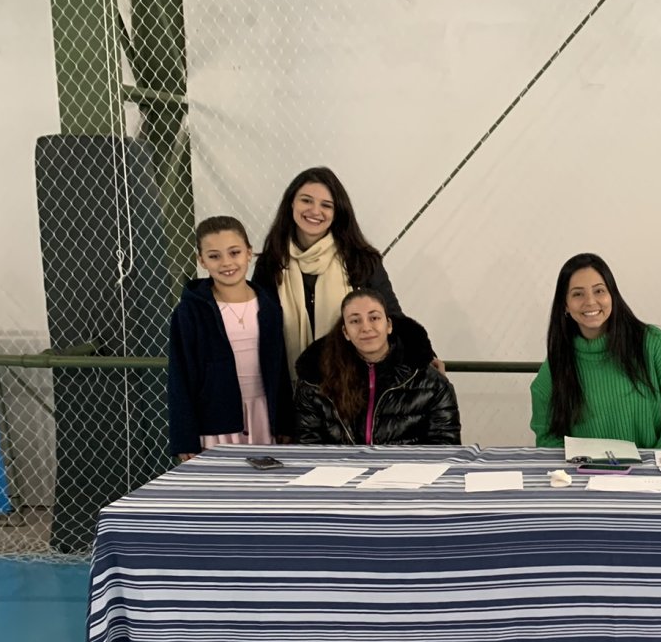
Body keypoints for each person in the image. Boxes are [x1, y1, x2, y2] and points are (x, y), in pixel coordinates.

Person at [254, 167, 429, 373]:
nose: (315, 211)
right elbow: (259, 328)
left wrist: (427, 357)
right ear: (291, 203)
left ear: (337, 212)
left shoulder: (361, 260)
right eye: (306, 200)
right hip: (288, 382)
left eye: (326, 205)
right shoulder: (270, 263)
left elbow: (392, 316)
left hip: (353, 381)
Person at [529, 253, 661, 448]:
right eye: (578, 294)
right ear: (565, 305)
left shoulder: (653, 344)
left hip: (652, 466)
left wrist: (655, 462)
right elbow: (548, 436)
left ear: (612, 296)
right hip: (584, 468)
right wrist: (577, 466)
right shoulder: (557, 364)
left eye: (599, 291)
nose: (590, 302)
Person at [168, 216, 293, 461]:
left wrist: (285, 423)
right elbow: (180, 378)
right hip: (216, 422)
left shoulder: (269, 305)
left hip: (263, 416)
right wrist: (185, 438)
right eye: (214, 256)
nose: (226, 263)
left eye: (234, 252)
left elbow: (280, 370)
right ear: (201, 260)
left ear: (249, 253)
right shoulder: (189, 312)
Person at [294, 288, 460, 445]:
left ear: (389, 325)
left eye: (374, 318)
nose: (366, 328)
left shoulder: (431, 383)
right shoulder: (315, 383)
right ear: (345, 332)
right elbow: (309, 447)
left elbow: (445, 447)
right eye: (355, 321)